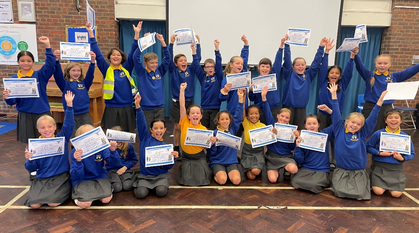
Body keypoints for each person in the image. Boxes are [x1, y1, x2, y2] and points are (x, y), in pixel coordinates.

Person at [329, 83, 387, 200]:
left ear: (361, 127)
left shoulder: (362, 133)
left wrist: (380, 101)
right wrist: (334, 95)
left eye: (358, 124)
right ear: (346, 122)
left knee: (360, 195)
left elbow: (373, 117)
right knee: (339, 192)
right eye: (352, 122)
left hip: (358, 171)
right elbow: (335, 112)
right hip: (342, 170)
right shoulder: (339, 129)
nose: (355, 125)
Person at [86, 21, 141, 132]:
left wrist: (137, 35)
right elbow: (98, 54)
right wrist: (91, 34)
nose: (116, 56)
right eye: (113, 55)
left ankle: (126, 150)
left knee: (126, 135)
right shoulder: (106, 69)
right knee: (112, 134)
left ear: (122, 57)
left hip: (126, 107)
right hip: (111, 107)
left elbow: (133, 52)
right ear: (110, 57)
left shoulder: (126, 68)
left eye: (118, 55)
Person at [24, 91, 75, 208]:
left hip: (60, 177)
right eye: (43, 127)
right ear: (38, 130)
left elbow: (69, 124)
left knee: (53, 203)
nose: (46, 129)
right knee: (35, 205)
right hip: (42, 178)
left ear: (55, 127)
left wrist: (69, 106)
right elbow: (31, 168)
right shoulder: (35, 145)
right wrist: (30, 159)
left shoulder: (61, 139)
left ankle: (64, 191)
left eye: (49, 126)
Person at [3, 36, 55, 143]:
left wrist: (47, 47)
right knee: (29, 143)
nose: (25, 63)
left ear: (33, 62)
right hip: (25, 115)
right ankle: (32, 160)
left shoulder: (40, 75)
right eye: (22, 61)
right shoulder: (13, 79)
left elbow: (50, 65)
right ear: (18, 62)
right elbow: (12, 102)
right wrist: (7, 97)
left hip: (42, 113)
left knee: (47, 141)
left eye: (28, 61)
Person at [354, 47, 419, 132]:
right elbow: (360, 66)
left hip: (386, 108)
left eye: (385, 63)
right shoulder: (369, 76)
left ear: (389, 65)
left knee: (384, 130)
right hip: (370, 107)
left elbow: (409, 71)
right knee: (367, 129)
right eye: (379, 63)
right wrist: (356, 55)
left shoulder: (394, 76)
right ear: (376, 64)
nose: (382, 65)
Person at [132, 93, 179, 198]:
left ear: (165, 130)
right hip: (145, 176)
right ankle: (142, 184)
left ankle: (159, 185)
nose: (158, 131)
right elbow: (141, 123)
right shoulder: (145, 138)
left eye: (161, 128)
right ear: (151, 130)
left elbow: (168, 166)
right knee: (140, 194)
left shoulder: (165, 148)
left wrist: (174, 158)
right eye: (156, 128)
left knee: (161, 192)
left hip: (160, 176)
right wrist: (138, 106)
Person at [318, 41, 356, 169]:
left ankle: (334, 159)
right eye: (332, 73)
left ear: (340, 76)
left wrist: (351, 58)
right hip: (322, 115)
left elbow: (349, 72)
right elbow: (323, 67)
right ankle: (322, 159)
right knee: (323, 137)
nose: (334, 75)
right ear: (328, 75)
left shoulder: (342, 85)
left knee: (335, 138)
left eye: (337, 73)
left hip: (336, 116)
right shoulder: (323, 83)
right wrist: (326, 52)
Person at [367, 109, 415, 198]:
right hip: (379, 167)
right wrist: (379, 153)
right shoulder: (378, 133)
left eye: (396, 117)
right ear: (385, 120)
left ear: (401, 121)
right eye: (390, 117)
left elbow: (412, 153)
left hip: (396, 169)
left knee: (396, 194)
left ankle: (391, 186)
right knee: (378, 192)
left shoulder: (405, 137)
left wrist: (402, 158)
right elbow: (368, 147)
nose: (393, 120)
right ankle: (378, 183)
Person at [282, 35, 326, 130]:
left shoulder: (308, 75)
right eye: (297, 65)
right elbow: (287, 60)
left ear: (305, 66)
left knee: (299, 130)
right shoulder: (290, 74)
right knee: (286, 129)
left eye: (303, 65)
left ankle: (297, 145)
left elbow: (316, 64)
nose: (300, 67)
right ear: (293, 67)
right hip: (288, 106)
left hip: (301, 108)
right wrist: (286, 45)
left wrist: (321, 47)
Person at [70, 125, 120, 208]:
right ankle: (77, 197)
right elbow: (77, 175)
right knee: (86, 204)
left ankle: (92, 195)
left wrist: (113, 151)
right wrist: (78, 161)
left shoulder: (101, 148)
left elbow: (114, 165)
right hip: (82, 179)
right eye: (87, 136)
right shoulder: (75, 152)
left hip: (99, 177)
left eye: (93, 135)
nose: (91, 138)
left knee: (106, 200)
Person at [177, 82, 216, 186]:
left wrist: (211, 143)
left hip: (199, 156)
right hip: (186, 156)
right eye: (192, 113)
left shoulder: (203, 129)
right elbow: (182, 106)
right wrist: (182, 90)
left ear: (201, 116)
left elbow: (205, 147)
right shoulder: (185, 122)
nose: (195, 115)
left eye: (197, 113)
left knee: (202, 179)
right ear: (188, 116)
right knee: (186, 179)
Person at [53, 50, 96, 137]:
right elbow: (57, 75)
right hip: (70, 115)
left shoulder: (84, 83)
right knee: (74, 137)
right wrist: (56, 61)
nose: (76, 73)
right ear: (68, 72)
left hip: (84, 114)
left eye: (78, 70)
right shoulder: (65, 84)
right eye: (73, 70)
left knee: (88, 136)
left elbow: (90, 75)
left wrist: (92, 62)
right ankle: (74, 151)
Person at [207, 89, 245, 185]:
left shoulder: (232, 129)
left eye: (227, 119)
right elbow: (211, 153)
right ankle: (216, 174)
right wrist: (212, 144)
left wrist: (241, 99)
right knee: (222, 181)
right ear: (218, 121)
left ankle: (227, 173)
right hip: (217, 162)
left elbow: (238, 116)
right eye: (222, 119)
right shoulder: (214, 133)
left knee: (236, 181)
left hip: (231, 161)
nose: (225, 121)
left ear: (229, 120)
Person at [133, 30, 170, 129]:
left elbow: (167, 58)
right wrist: (144, 41)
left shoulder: (160, 71)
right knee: (147, 130)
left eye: (156, 62)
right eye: (152, 63)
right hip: (146, 108)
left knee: (159, 130)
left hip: (159, 107)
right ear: (145, 63)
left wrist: (162, 42)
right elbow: (135, 56)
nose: (154, 65)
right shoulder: (141, 72)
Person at [168, 34, 199, 153]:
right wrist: (171, 44)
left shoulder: (190, 70)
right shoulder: (174, 71)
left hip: (189, 103)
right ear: (176, 64)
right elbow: (168, 57)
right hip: (177, 103)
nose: (184, 62)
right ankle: (176, 148)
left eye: (185, 60)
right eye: (181, 60)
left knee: (190, 127)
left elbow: (197, 59)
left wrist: (195, 48)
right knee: (177, 127)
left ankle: (188, 148)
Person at [261, 87, 297, 183]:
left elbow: (292, 148)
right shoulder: (272, 125)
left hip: (285, 156)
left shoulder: (292, 130)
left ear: (289, 119)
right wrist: (264, 97)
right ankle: (274, 168)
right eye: (282, 116)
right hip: (272, 156)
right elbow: (267, 111)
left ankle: (286, 169)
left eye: (287, 117)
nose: (284, 119)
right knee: (272, 180)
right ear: (277, 115)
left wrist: (295, 139)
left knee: (294, 169)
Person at [292, 113, 333, 193]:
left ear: (319, 125)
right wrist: (297, 147)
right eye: (309, 124)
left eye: (314, 123)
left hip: (322, 169)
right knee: (295, 183)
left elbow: (338, 123)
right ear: (305, 125)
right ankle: (315, 183)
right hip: (307, 168)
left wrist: (331, 112)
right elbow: (299, 160)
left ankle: (323, 181)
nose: (312, 126)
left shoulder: (325, 134)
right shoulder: (302, 138)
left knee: (314, 185)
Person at [248, 36, 284, 123]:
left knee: (273, 130)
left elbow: (278, 62)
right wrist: (251, 90)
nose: (265, 69)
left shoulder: (273, 77)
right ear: (258, 67)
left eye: (267, 67)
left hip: (273, 108)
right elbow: (252, 99)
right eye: (263, 66)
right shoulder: (254, 81)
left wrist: (281, 46)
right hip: (260, 109)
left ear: (270, 68)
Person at [190, 39, 223, 130]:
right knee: (204, 129)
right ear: (205, 69)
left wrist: (217, 49)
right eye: (208, 67)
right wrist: (194, 52)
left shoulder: (218, 76)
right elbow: (196, 65)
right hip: (204, 108)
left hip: (215, 108)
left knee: (213, 129)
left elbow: (219, 63)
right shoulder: (203, 77)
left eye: (212, 66)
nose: (210, 68)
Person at [219, 35, 249, 117]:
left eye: (241, 64)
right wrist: (225, 91)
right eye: (237, 63)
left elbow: (244, 58)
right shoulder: (226, 79)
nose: (240, 65)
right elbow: (222, 98)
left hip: (244, 112)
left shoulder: (243, 76)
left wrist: (246, 44)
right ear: (231, 65)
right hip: (233, 112)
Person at [105, 126, 138, 193]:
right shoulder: (107, 147)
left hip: (125, 169)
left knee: (127, 186)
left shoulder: (128, 145)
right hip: (113, 170)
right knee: (117, 187)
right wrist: (113, 151)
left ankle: (133, 177)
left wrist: (125, 167)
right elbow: (110, 162)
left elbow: (134, 160)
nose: (118, 141)